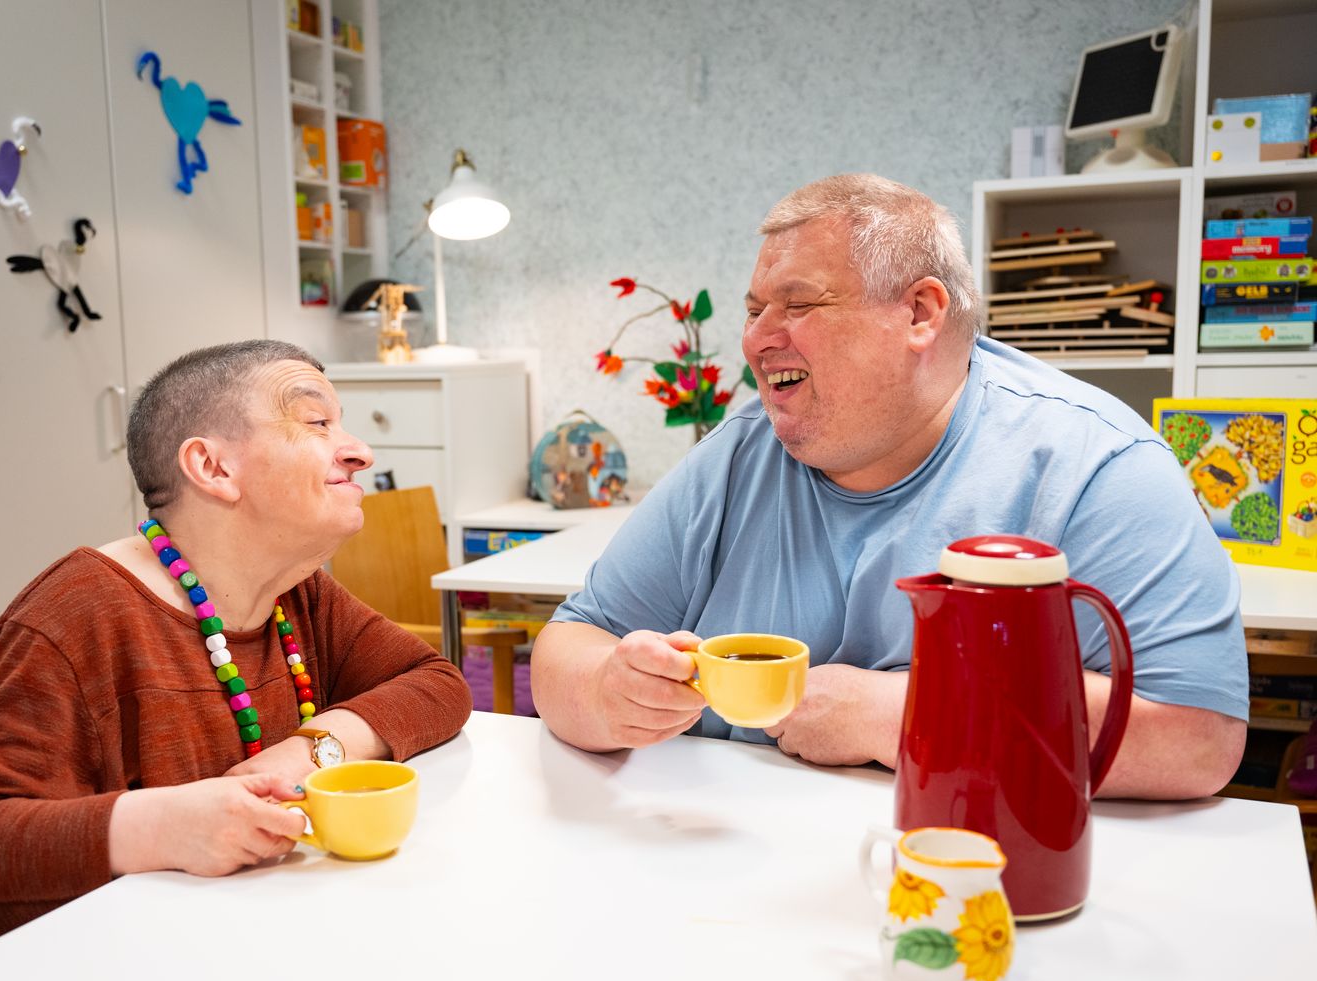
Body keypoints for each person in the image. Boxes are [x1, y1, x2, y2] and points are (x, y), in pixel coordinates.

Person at [532, 173, 1247, 801]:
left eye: (799, 304)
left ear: (920, 313)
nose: (755, 341)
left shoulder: (1097, 465)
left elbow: (1198, 740)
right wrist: (606, 693)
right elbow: (568, 644)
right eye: (754, 311)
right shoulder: (736, 456)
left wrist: (898, 713)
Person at [0, 340, 471, 973]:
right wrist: (164, 827)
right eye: (318, 423)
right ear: (212, 468)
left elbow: (434, 682)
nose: (359, 451)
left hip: (225, 956)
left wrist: (308, 749)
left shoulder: (295, 592)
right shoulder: (77, 613)